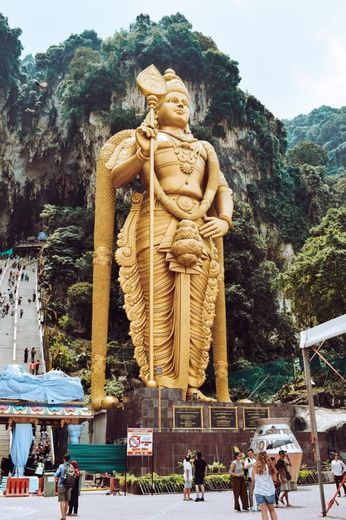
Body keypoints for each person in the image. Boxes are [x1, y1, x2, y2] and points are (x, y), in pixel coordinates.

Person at [92, 67, 234, 408]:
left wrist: (225, 219)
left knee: (198, 308)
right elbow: (114, 178)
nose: (181, 105)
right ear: (157, 106)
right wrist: (141, 152)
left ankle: (190, 385)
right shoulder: (147, 139)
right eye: (173, 100)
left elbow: (222, 189)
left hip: (198, 228)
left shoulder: (204, 148)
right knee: (159, 304)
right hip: (154, 223)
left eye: (185, 101)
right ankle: (158, 378)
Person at [252, 451, 278, 520]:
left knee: (264, 512)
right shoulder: (270, 466)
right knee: (272, 511)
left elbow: (253, 479)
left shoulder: (254, 466)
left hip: (259, 491)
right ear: (266, 457)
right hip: (269, 491)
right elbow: (275, 479)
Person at [55, 453, 74, 520]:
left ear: (64, 459)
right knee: (66, 501)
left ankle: (63, 516)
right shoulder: (71, 466)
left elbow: (56, 474)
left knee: (62, 501)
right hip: (69, 485)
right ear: (69, 459)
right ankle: (65, 514)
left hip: (62, 485)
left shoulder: (61, 466)